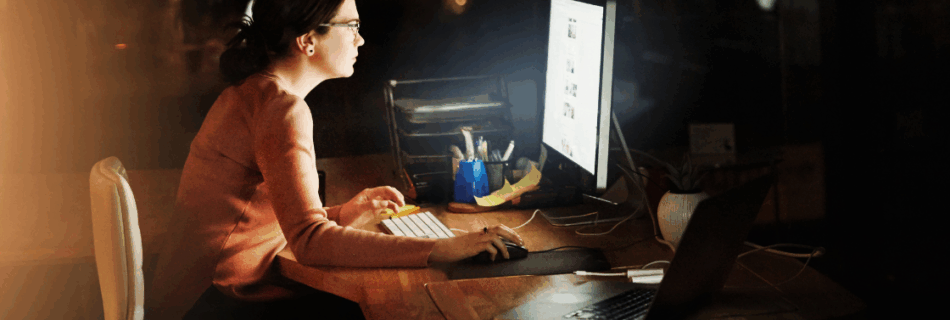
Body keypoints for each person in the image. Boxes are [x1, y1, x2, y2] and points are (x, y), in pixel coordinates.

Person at [145, 0, 523, 319]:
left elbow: (266, 220)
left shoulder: (252, 93)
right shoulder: (283, 111)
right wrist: (443, 247)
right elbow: (309, 241)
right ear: (308, 40)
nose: (360, 38)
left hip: (195, 296)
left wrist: (343, 213)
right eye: (352, 26)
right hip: (214, 304)